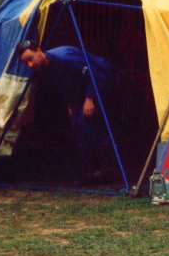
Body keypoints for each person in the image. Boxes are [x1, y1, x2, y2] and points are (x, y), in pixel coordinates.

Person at [17, 41, 115, 180]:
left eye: (30, 59)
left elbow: (93, 74)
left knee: (87, 124)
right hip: (81, 89)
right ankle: (89, 171)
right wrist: (70, 105)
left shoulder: (64, 58)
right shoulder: (47, 67)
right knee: (77, 126)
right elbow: (64, 83)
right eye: (26, 63)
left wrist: (89, 98)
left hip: (101, 77)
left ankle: (108, 169)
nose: (30, 65)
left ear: (39, 50)